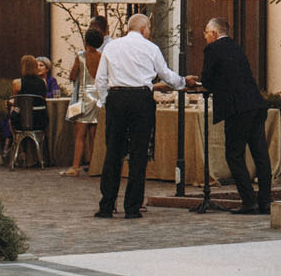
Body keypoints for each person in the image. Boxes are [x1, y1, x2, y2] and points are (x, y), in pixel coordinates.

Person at [92, 12, 186, 218]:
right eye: (149, 28)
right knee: (138, 153)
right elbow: (166, 74)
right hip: (140, 99)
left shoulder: (111, 47)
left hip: (117, 98)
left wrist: (107, 100)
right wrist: (183, 82)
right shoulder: (150, 48)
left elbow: (100, 78)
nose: (150, 32)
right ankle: (132, 207)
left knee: (113, 152)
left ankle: (106, 205)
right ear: (144, 29)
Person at [190, 16, 272, 214]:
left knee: (234, 154)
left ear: (214, 34)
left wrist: (198, 83)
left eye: (206, 33)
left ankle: (248, 200)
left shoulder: (212, 49)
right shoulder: (236, 47)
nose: (204, 37)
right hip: (255, 104)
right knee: (260, 153)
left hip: (237, 108)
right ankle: (265, 201)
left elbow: (208, 78)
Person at [59, 15, 108, 177]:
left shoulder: (81, 56)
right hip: (97, 98)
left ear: (86, 41)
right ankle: (94, 165)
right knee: (93, 134)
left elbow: (73, 76)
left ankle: (75, 167)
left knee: (80, 135)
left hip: (82, 98)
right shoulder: (102, 57)